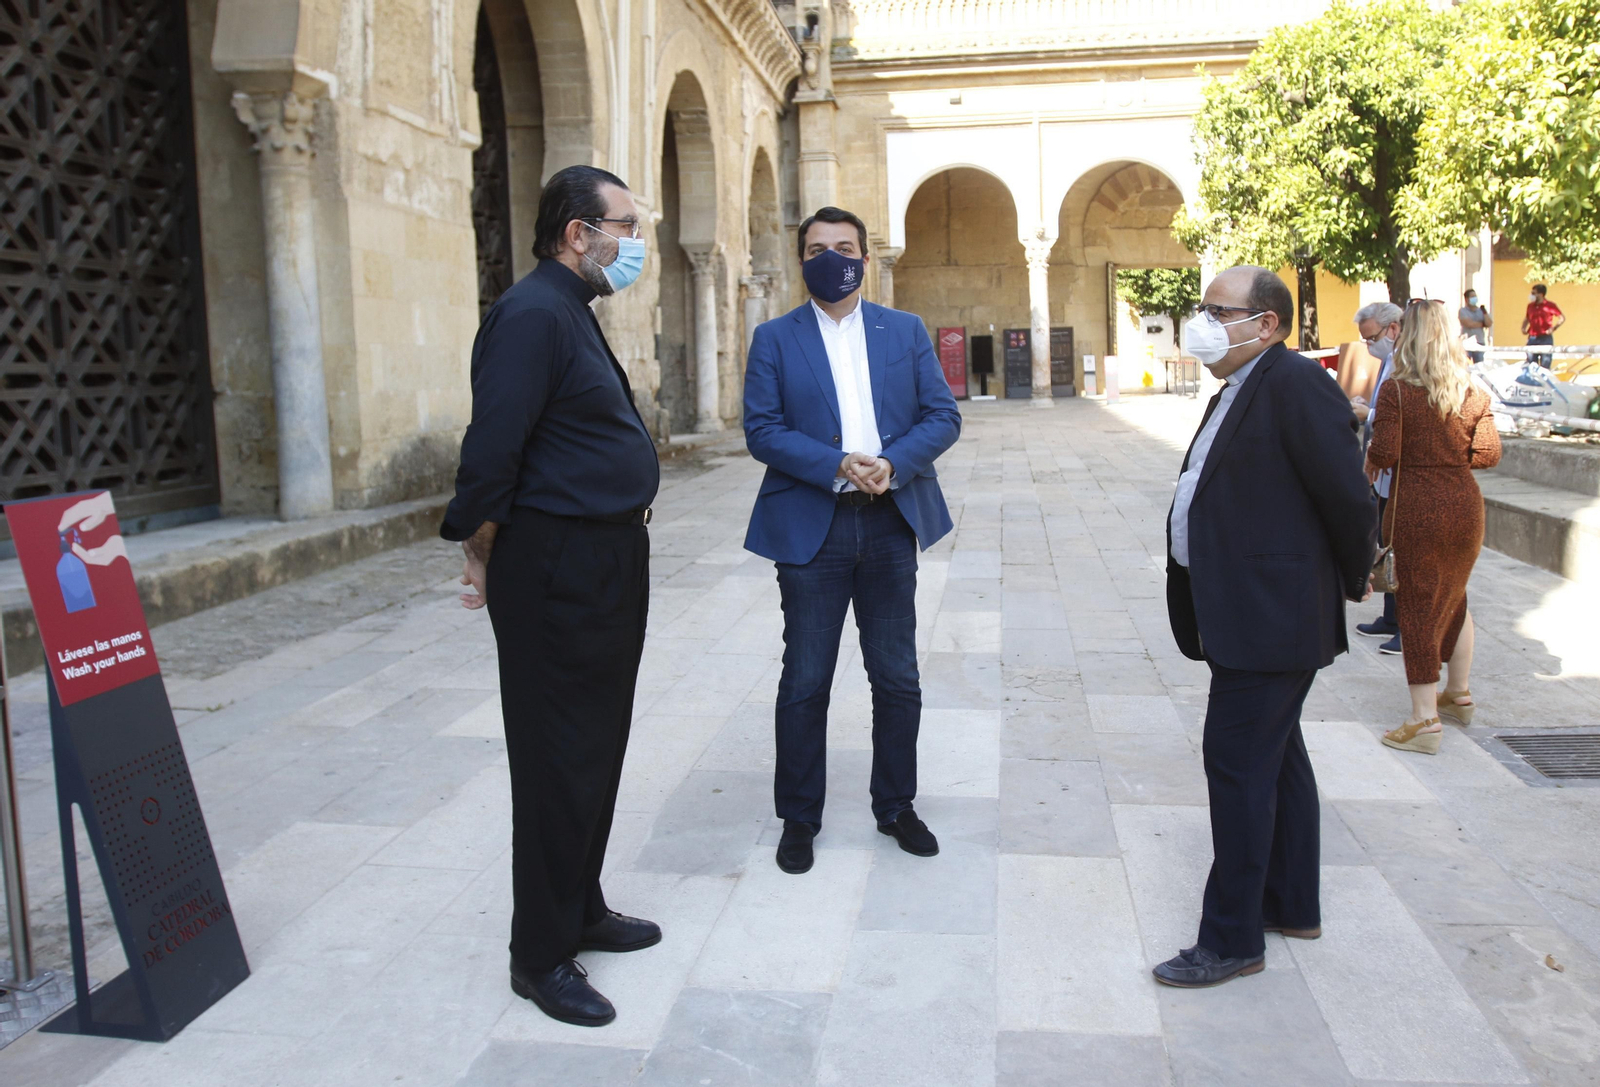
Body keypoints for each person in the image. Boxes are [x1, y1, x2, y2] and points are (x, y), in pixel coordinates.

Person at [440, 165, 660, 1028]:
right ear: (579, 232)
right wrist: (481, 549)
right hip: (557, 565)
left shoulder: (571, 310)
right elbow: (492, 449)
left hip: (604, 555)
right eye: (626, 226)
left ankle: (581, 906)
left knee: (598, 743)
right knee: (555, 754)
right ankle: (538, 953)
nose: (634, 242)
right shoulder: (531, 314)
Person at [1156, 266, 1377, 988]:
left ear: (1268, 324)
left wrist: (1354, 576)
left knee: (1238, 764)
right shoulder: (1240, 386)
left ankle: (1231, 938)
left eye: (1219, 310)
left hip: (1273, 615)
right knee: (1279, 759)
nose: (1205, 321)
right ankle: (1292, 902)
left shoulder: (1293, 383)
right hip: (1247, 610)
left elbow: (1347, 494)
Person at [743, 206, 962, 876]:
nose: (830, 257)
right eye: (816, 248)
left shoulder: (904, 330)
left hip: (891, 520)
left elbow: (942, 414)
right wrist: (839, 461)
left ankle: (895, 804)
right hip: (814, 526)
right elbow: (763, 429)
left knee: (896, 674)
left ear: (865, 257)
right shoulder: (775, 338)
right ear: (800, 257)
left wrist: (892, 465)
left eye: (843, 247)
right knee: (806, 678)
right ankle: (798, 817)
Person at [1364, 300, 1502, 755]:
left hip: (1416, 509)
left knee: (1419, 608)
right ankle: (1457, 695)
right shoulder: (1473, 391)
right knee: (1454, 594)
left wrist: (1369, 465)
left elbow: (1384, 451)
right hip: (1465, 508)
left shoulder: (1398, 391)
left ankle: (1424, 720)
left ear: (1407, 335)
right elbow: (1488, 454)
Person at [1352, 302, 1404, 656]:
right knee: (1384, 543)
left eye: (1372, 338)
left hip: (1401, 476)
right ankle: (1390, 616)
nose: (1370, 346)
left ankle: (1407, 627)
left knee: (1403, 552)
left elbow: (1398, 413)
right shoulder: (1388, 360)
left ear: (1393, 329)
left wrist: (1367, 412)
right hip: (1383, 474)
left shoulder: (1410, 363)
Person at [1522, 284, 1564, 367]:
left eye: (1534, 293)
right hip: (1532, 338)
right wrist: (1523, 327)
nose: (1531, 295)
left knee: (1545, 365)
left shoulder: (1550, 305)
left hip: (1545, 338)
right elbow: (1527, 318)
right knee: (1531, 365)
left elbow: (1562, 318)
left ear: (1540, 294)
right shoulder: (1530, 306)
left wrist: (1554, 328)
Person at [1459, 289, 1492, 364]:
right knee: (1465, 365)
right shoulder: (1463, 311)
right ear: (1467, 299)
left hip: (1479, 342)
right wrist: (1482, 324)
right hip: (1466, 343)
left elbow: (1489, 323)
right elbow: (1468, 324)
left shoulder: (1481, 310)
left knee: (1479, 366)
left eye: (1475, 296)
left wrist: (1485, 313)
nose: (1475, 298)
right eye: (1472, 296)